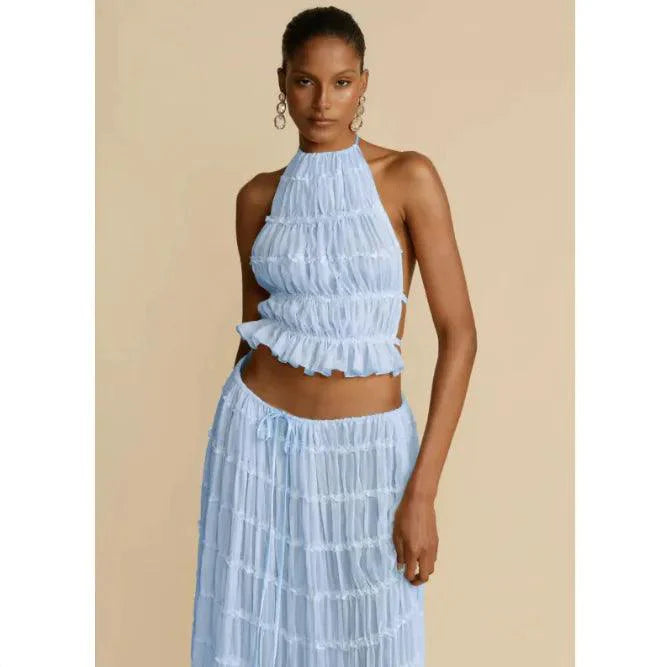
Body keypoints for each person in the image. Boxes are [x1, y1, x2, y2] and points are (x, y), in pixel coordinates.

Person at [190, 7, 477, 666]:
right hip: (256, 445)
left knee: (373, 639)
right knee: (254, 642)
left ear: (364, 83)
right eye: (305, 82)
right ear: (282, 82)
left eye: (342, 83)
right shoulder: (257, 198)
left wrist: (423, 492)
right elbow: (253, 329)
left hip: (369, 453)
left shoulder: (408, 177)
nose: (323, 102)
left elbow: (460, 335)